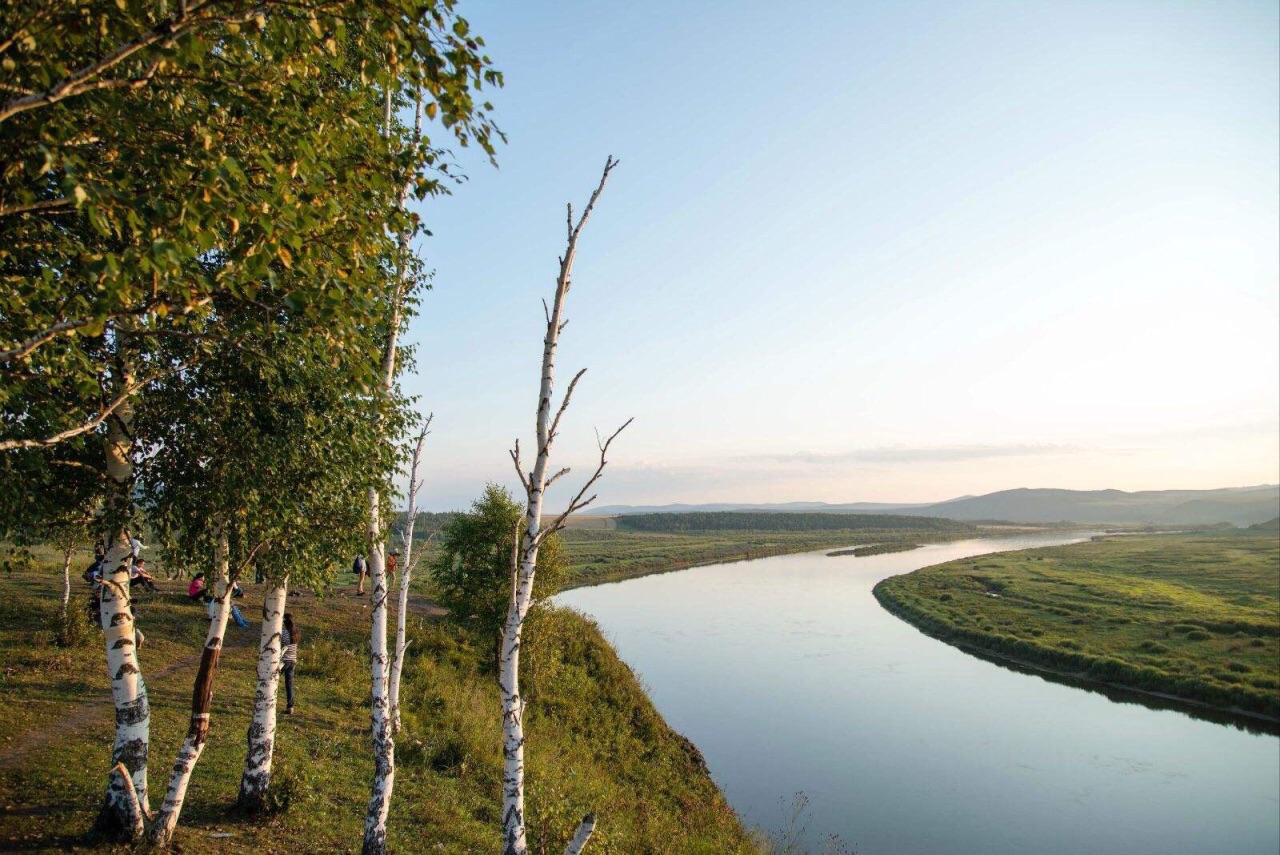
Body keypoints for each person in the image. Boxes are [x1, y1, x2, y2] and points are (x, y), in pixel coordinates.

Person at [281, 613, 300, 715]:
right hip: (293, 661)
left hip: (283, 661)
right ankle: (290, 706)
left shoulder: (284, 633)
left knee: (271, 680)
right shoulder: (295, 633)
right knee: (289, 684)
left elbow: (280, 646)